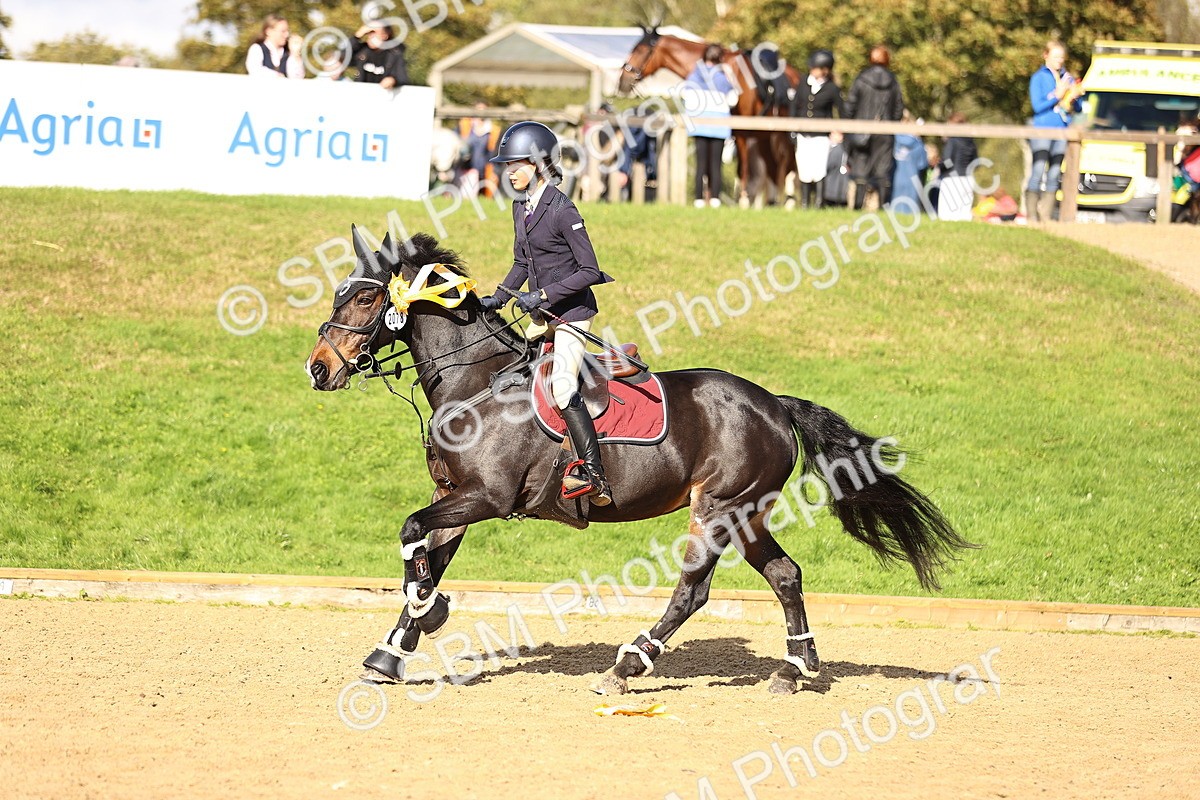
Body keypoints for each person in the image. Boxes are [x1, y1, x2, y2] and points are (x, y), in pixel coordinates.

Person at [477, 122, 615, 505]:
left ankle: (594, 473)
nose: (509, 173)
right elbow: (522, 261)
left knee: (563, 386)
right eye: (506, 166)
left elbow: (590, 270)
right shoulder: (520, 206)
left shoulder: (562, 209)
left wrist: (541, 294)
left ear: (538, 164)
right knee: (508, 370)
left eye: (514, 165)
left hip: (571, 314)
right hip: (543, 315)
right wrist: (499, 297)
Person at [1026, 40, 1084, 222]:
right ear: (1046, 56)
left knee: (1054, 173)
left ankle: (1046, 216)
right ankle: (1031, 216)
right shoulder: (1039, 78)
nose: (1060, 61)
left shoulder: (1068, 77)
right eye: (1055, 57)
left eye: (1061, 57)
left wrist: (1075, 97)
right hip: (1043, 131)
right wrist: (1056, 96)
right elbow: (1037, 106)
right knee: (1038, 170)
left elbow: (1079, 109)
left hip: (1062, 130)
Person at [844, 44, 904, 209]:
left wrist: (849, 127)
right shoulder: (893, 82)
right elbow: (899, 109)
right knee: (883, 173)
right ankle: (884, 207)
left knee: (861, 171)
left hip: (861, 131)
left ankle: (857, 207)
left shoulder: (861, 79)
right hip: (885, 133)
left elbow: (850, 106)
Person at [683, 44, 736, 208]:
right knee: (715, 164)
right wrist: (730, 75)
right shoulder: (722, 78)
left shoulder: (694, 76)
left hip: (699, 125)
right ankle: (714, 198)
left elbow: (687, 97)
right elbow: (733, 100)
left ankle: (698, 198)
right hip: (719, 126)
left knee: (700, 164)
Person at [790, 49, 842, 209]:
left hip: (821, 135)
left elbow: (841, 109)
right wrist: (791, 129)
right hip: (802, 133)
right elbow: (795, 106)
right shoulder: (803, 82)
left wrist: (839, 130)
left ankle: (819, 203)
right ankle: (805, 203)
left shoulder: (832, 88)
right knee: (804, 168)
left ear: (825, 69)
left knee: (818, 169)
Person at [349, 23, 408, 89]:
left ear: (385, 36)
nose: (370, 36)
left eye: (374, 33)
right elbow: (342, 58)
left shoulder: (395, 54)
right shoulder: (363, 51)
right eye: (369, 33)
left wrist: (393, 80)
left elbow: (402, 78)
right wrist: (357, 36)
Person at [245, 14, 304, 79]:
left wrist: (295, 55)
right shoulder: (257, 49)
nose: (287, 35)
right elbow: (255, 70)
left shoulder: (288, 53)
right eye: (283, 31)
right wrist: (277, 76)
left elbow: (297, 79)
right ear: (269, 31)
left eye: (287, 31)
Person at [891, 110, 928, 210]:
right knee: (910, 211)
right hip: (912, 180)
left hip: (894, 178)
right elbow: (923, 164)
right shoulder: (917, 142)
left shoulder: (891, 139)